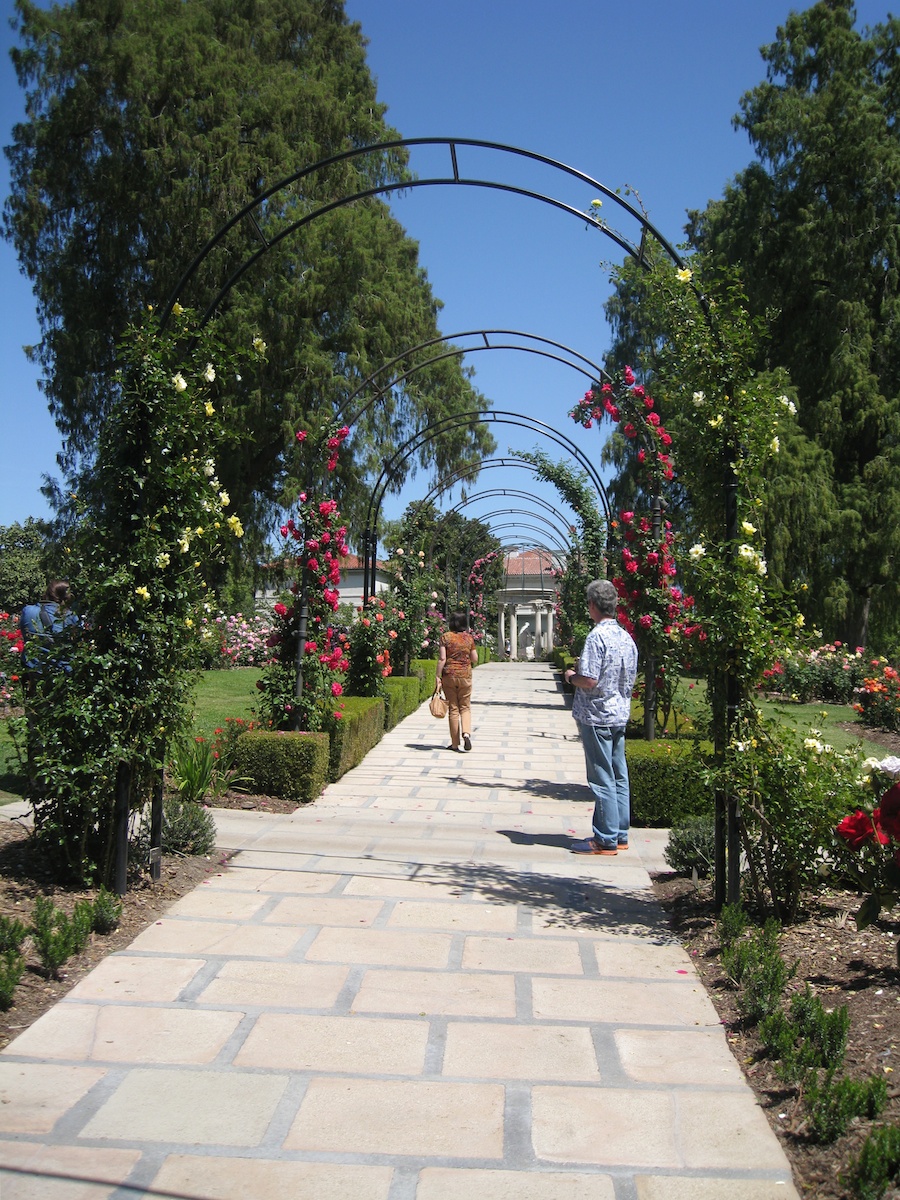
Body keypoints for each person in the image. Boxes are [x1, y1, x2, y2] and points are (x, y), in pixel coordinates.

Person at [564, 579, 638, 855]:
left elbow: (591, 680)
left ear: (593, 605)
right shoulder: (625, 637)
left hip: (597, 716)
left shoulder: (597, 637)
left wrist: (572, 677)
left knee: (602, 776)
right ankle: (619, 833)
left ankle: (605, 838)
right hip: (619, 714)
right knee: (619, 774)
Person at [19, 580, 80, 679]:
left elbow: (24, 634)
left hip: (33, 671)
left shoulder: (28, 611)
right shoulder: (71, 618)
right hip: (61, 673)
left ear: (47, 592)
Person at [437, 611, 478, 752]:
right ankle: (466, 733)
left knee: (453, 709)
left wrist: (438, 676)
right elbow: (475, 658)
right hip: (465, 676)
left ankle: (455, 744)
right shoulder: (469, 638)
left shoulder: (445, 637)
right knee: (465, 707)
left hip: (449, 675)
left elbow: (442, 659)